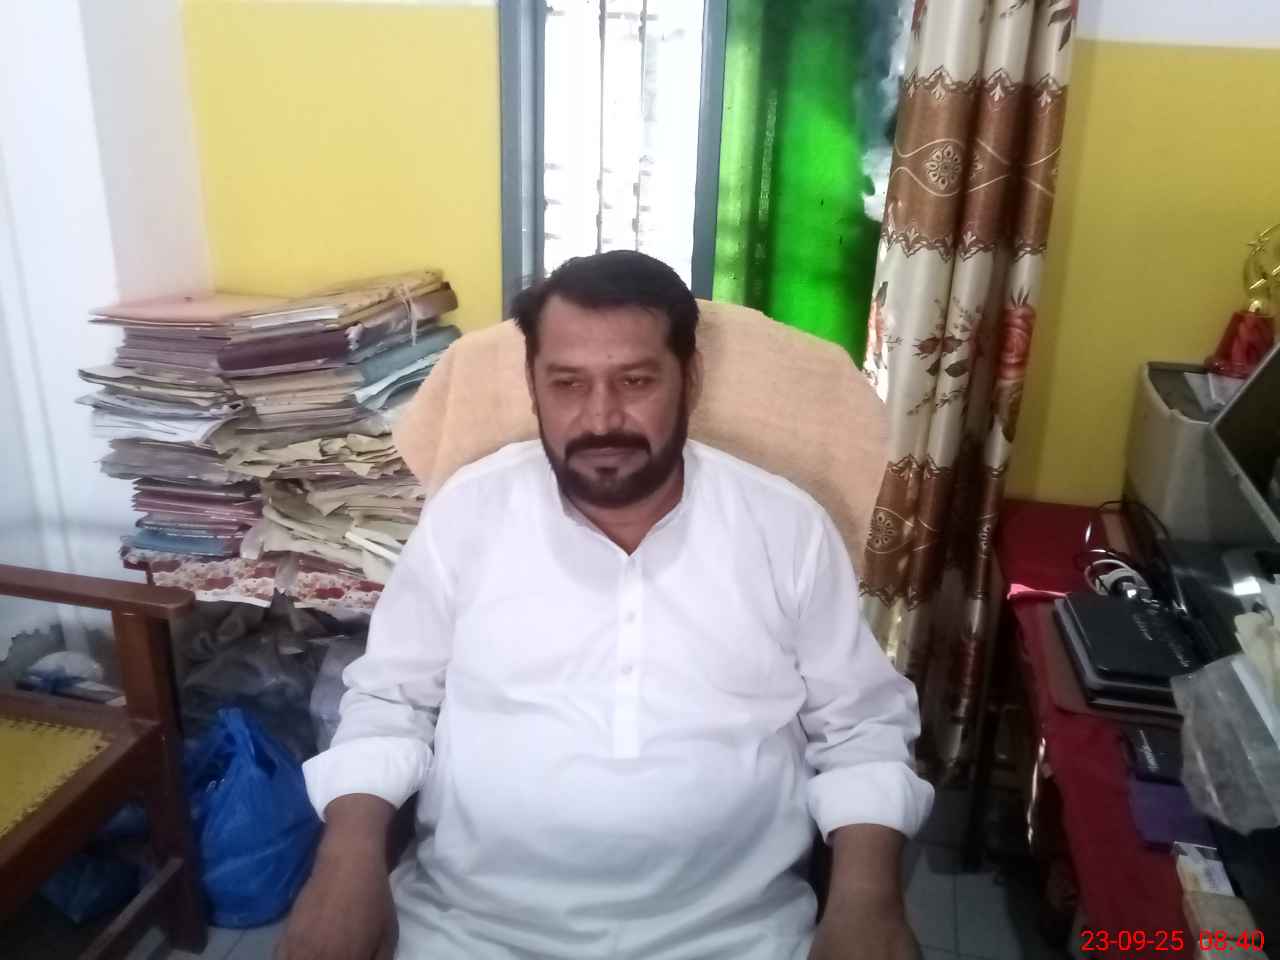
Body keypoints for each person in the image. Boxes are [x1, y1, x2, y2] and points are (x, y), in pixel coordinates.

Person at [280, 251, 933, 960]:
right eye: (567, 384)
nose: (600, 417)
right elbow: (390, 699)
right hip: (466, 927)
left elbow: (860, 726)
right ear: (534, 388)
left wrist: (867, 899)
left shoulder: (785, 526)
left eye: (635, 381)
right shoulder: (470, 511)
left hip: (737, 934)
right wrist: (344, 863)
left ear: (690, 379)